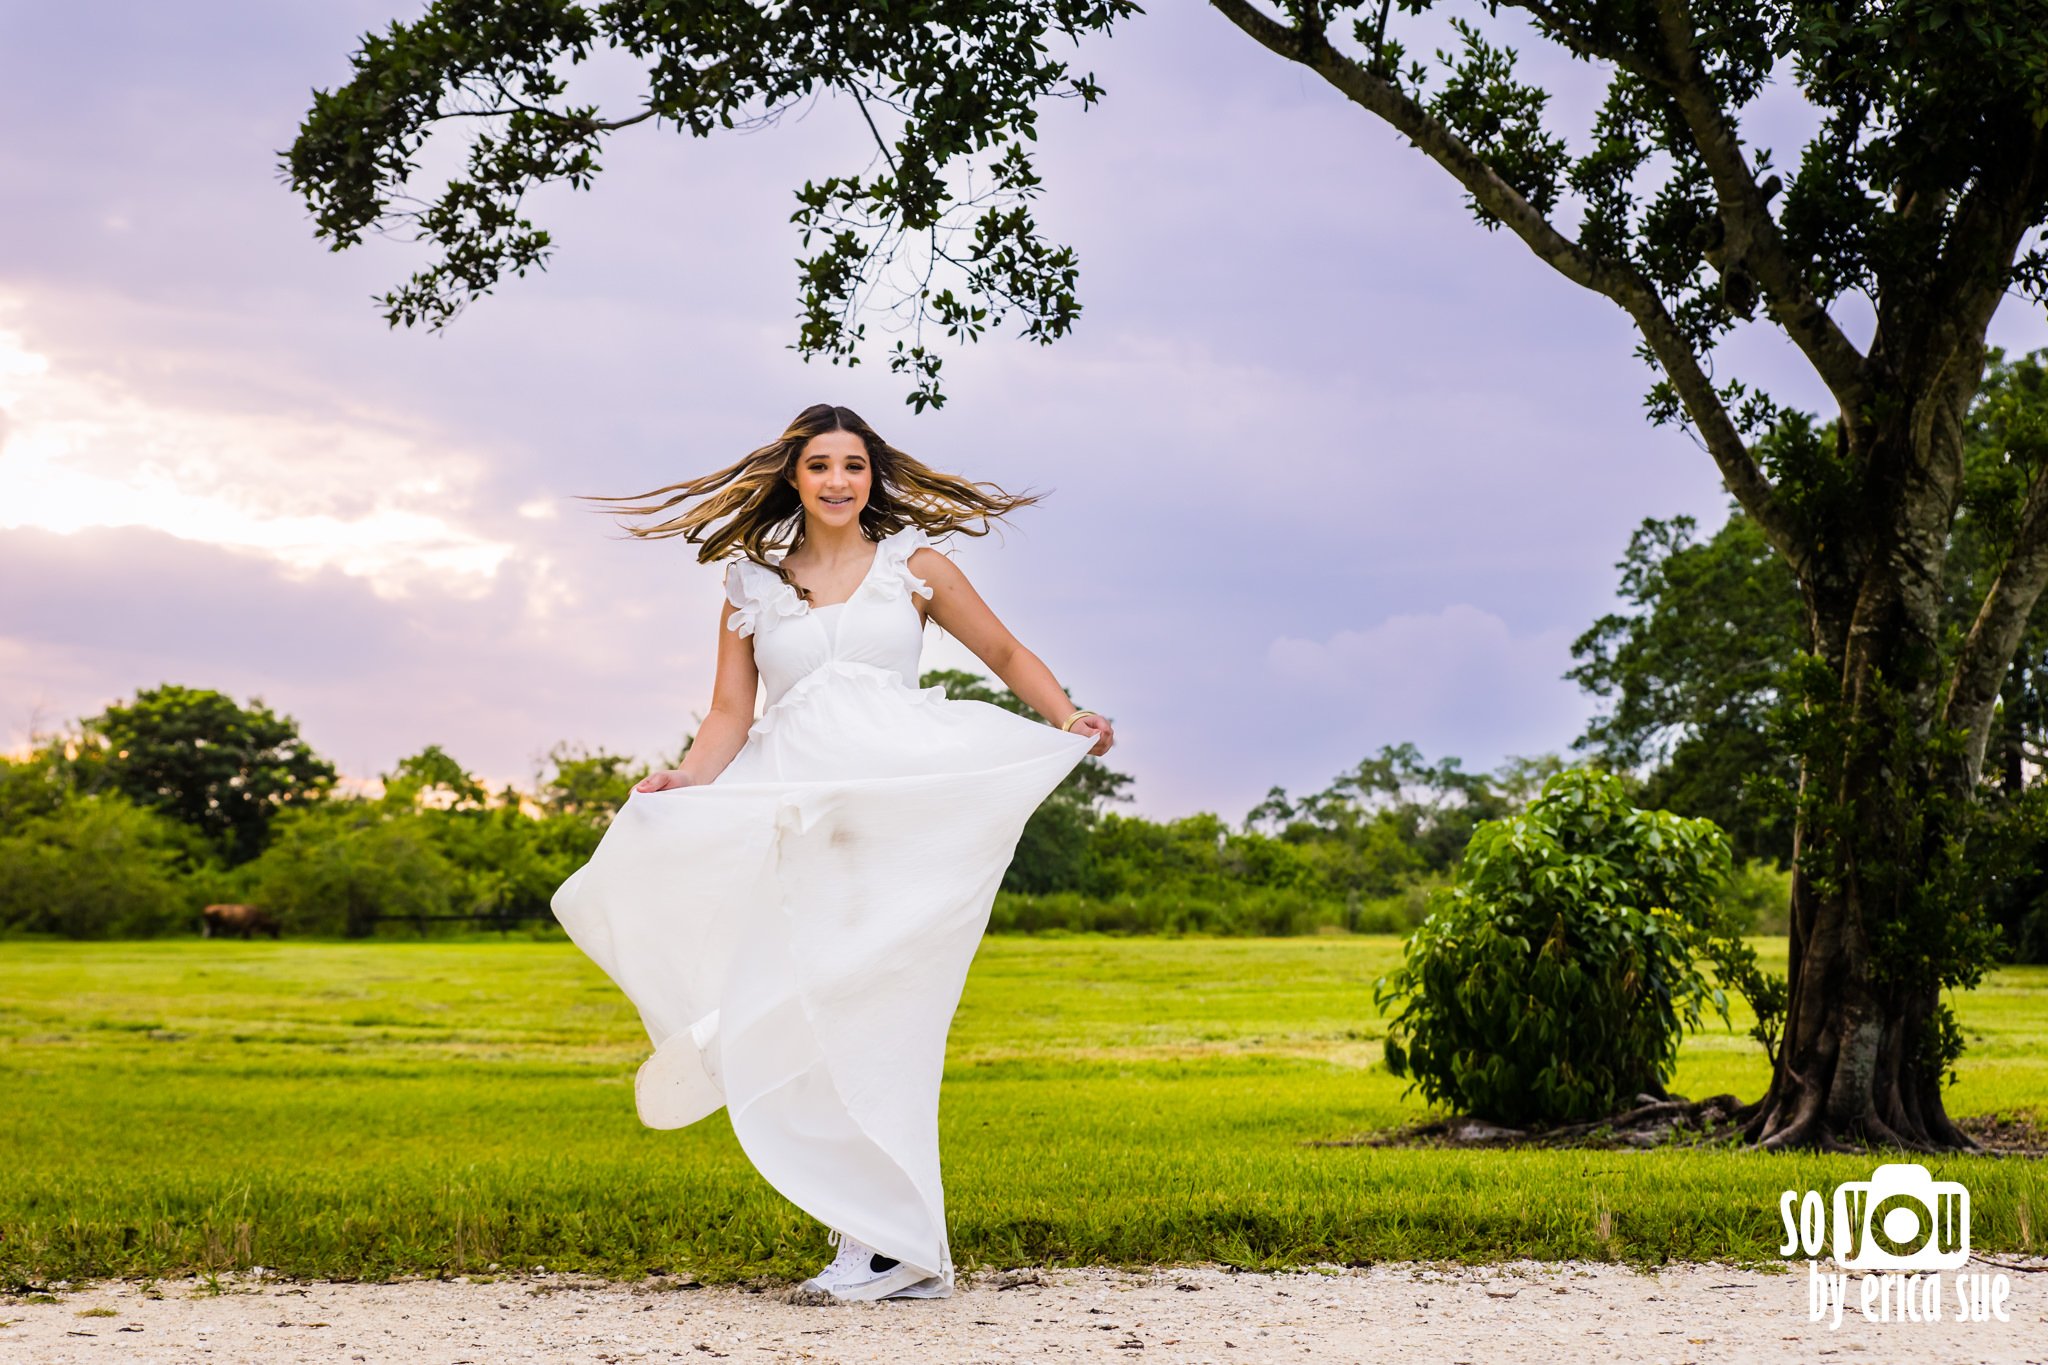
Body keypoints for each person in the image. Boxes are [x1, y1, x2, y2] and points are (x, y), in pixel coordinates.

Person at [550, 403, 1115, 1304]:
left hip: (900, 820)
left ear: (873, 476)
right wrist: (688, 781)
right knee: (813, 1021)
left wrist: (1064, 716)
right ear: (796, 478)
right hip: (803, 822)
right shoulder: (749, 585)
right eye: (821, 466)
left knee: (884, 1020)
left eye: (854, 465)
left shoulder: (916, 570)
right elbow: (732, 713)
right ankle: (878, 1239)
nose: (839, 481)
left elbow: (1004, 650)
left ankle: (891, 1244)